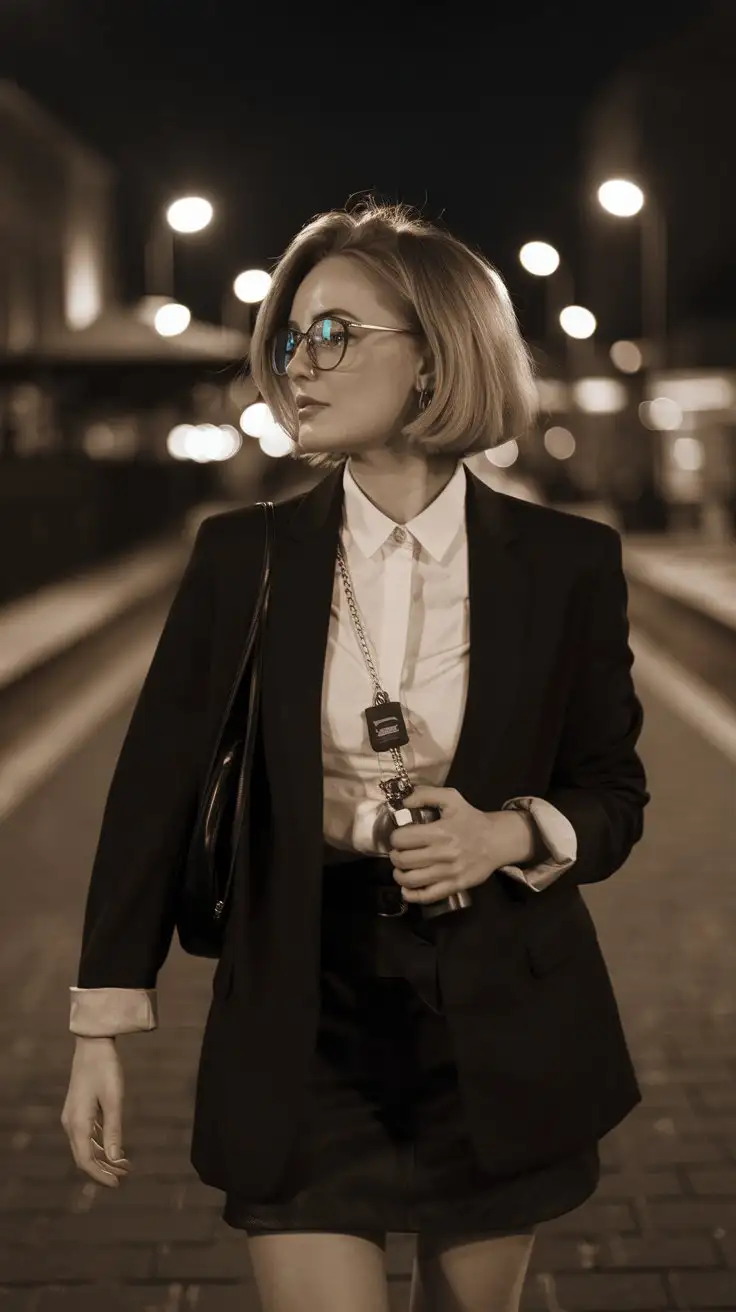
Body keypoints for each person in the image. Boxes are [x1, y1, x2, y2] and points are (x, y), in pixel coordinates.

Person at [62, 199, 650, 1312]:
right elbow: (154, 789)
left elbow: (612, 791)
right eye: (288, 337)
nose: (297, 365)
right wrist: (102, 1021)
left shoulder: (567, 561)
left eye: (333, 333)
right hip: (300, 1010)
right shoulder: (245, 555)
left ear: (435, 359)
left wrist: (507, 831)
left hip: (499, 1014)